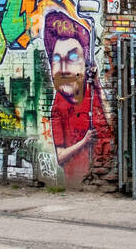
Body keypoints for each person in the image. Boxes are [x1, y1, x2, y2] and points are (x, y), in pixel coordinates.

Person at [43, 12, 110, 186]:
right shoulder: (58, 105)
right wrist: (84, 142)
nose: (64, 69)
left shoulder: (94, 92)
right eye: (57, 59)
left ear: (85, 63)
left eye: (72, 58)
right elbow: (60, 156)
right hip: (76, 182)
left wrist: (97, 84)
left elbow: (113, 122)